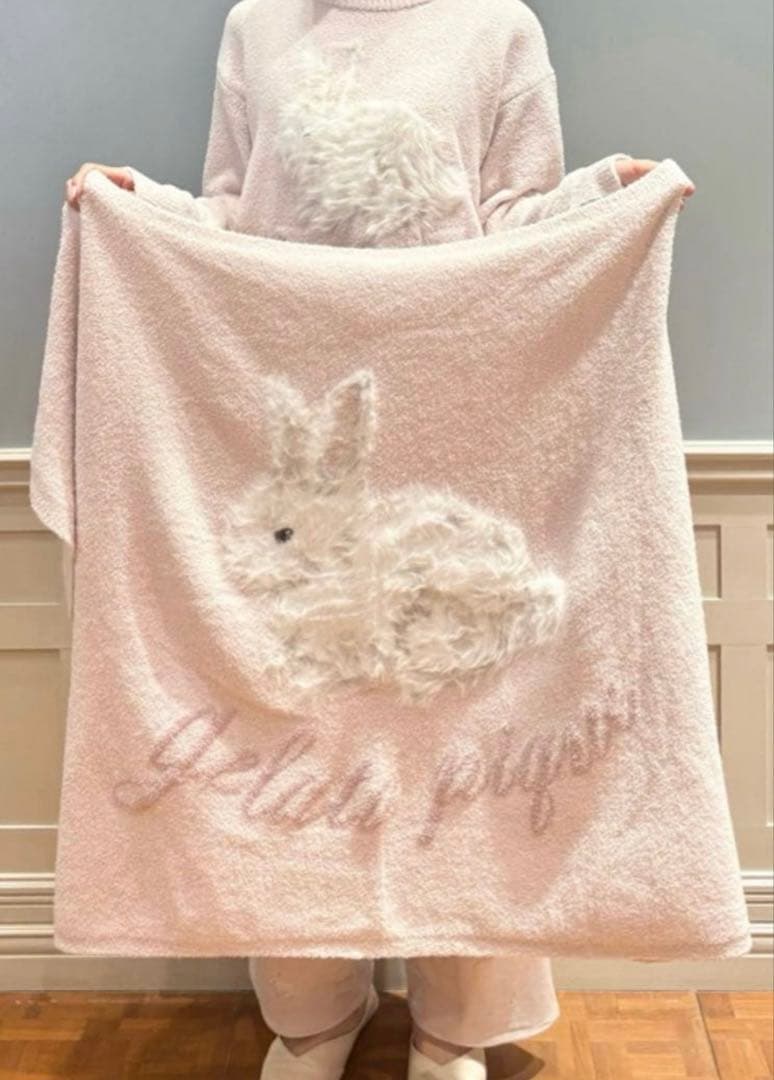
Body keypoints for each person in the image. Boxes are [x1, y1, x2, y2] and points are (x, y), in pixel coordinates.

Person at [65, 1, 695, 1077]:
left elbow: (516, 216)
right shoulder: (259, 25)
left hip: (463, 415)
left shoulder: (498, 27)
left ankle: (456, 1029)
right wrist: (143, 209)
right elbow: (234, 217)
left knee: (469, 723)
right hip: (289, 387)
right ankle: (314, 1016)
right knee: (295, 718)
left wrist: (603, 196)